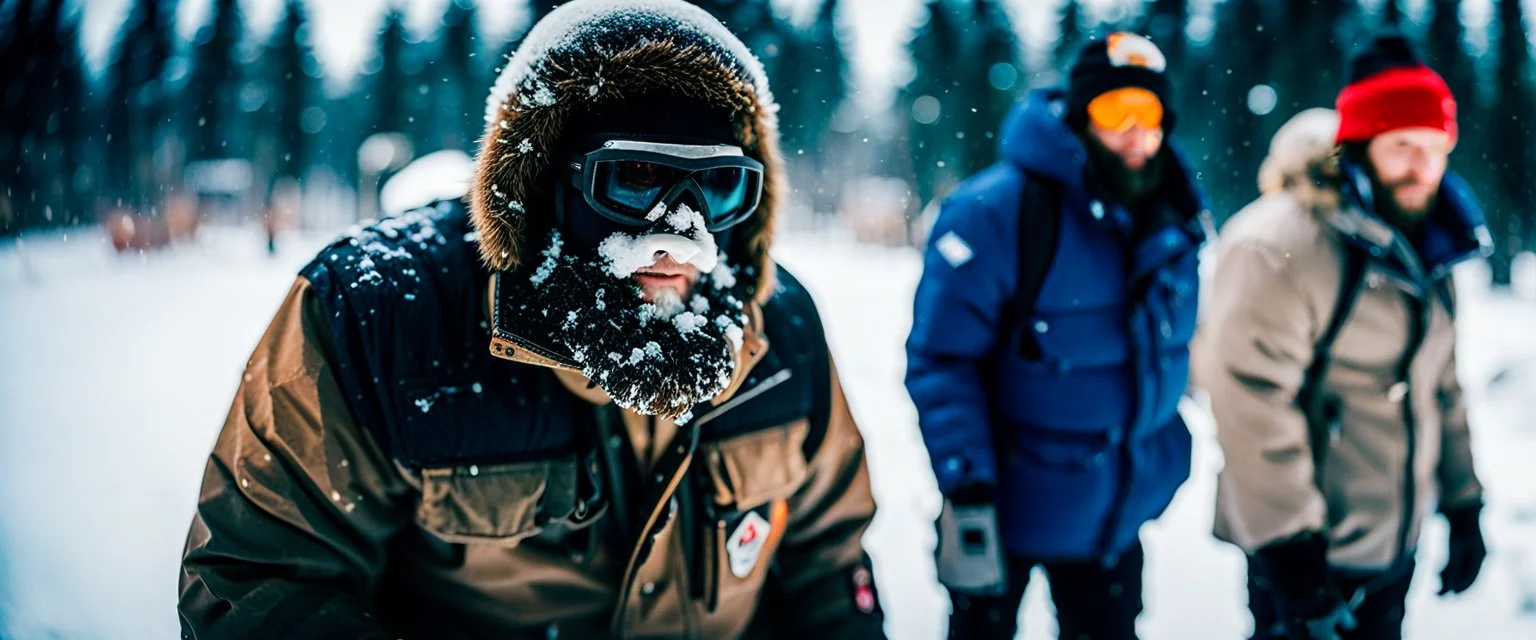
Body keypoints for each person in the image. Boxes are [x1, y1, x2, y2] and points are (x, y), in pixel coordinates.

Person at [177, 2, 885, 638]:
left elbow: (827, 563)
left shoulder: (779, 331)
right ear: (546, 180)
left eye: (720, 187)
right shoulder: (384, 314)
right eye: (636, 179)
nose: (682, 234)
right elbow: (262, 579)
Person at [905, 33, 1208, 640]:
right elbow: (941, 359)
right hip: (1000, 508)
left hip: (1114, 516)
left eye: (1147, 115)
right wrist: (968, 483)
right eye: (1114, 111)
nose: (1134, 132)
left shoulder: (1173, 215)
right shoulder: (995, 212)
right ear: (1078, 117)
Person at [1196, 33, 1488, 640]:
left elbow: (1442, 384)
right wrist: (1290, 556)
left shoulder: (1426, 242)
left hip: (1391, 546)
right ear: (1358, 146)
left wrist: (1463, 505)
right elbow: (1247, 397)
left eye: (1436, 148)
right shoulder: (1278, 245)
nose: (1422, 167)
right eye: (1403, 146)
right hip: (1307, 559)